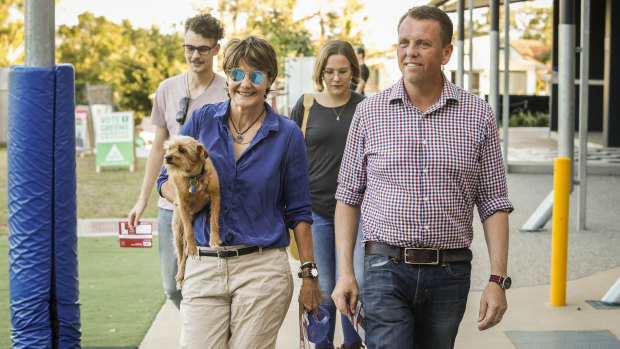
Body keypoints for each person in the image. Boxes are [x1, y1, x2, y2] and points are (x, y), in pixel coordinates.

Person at [331, 6, 514, 349]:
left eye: (422, 43)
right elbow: (348, 197)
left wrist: (497, 280)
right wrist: (345, 273)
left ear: (446, 53)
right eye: (404, 42)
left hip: (450, 271)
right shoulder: (369, 113)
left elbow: (494, 202)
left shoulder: (478, 115)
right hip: (384, 266)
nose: (410, 51)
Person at [157, 35, 323, 348]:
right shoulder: (202, 120)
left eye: (256, 75)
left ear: (270, 80)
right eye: (236, 74)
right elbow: (163, 180)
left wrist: (310, 276)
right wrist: (181, 198)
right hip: (204, 263)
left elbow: (299, 210)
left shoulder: (287, 135)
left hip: (261, 269)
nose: (245, 84)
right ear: (227, 76)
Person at [127, 13, 228, 309]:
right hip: (172, 200)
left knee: (207, 285)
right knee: (173, 285)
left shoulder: (226, 91)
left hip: (208, 198)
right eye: (189, 48)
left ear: (216, 50)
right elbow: (158, 147)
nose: (195, 55)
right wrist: (142, 200)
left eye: (203, 49)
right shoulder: (167, 89)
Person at [290, 40, 365, 349]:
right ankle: (322, 345)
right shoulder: (305, 105)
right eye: (330, 71)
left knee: (356, 282)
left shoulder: (365, 106)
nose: (336, 78)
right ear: (321, 72)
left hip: (358, 212)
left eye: (343, 71)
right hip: (316, 212)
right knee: (323, 285)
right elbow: (289, 156)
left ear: (354, 72)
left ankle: (352, 343)